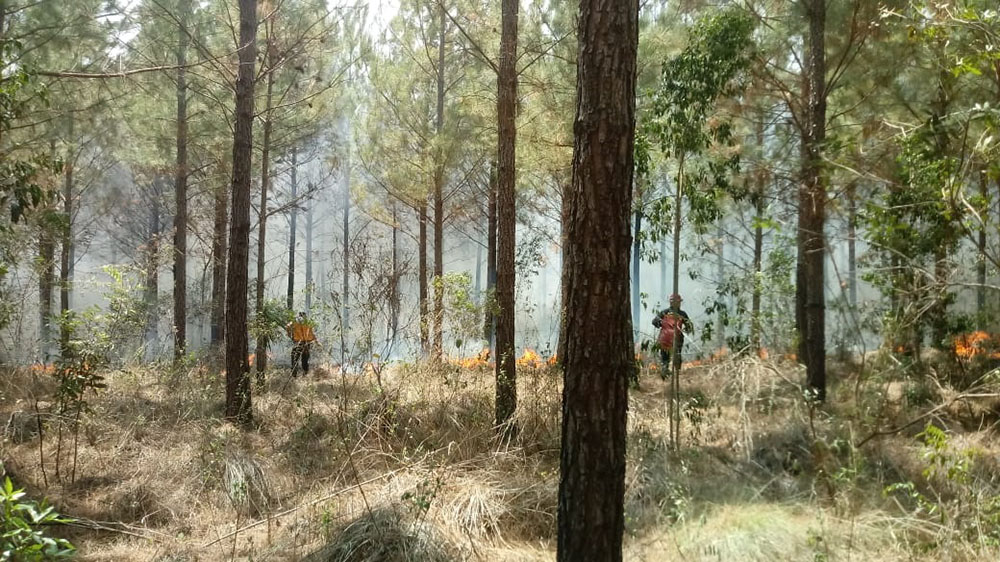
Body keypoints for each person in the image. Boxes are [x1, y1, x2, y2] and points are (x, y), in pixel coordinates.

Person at [652, 294, 694, 372]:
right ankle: (676, 373)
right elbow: (689, 326)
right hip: (676, 339)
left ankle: (665, 373)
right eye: (679, 302)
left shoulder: (664, 312)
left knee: (666, 358)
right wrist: (685, 330)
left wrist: (662, 324)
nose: (679, 304)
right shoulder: (681, 314)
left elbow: (654, 322)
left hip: (666, 339)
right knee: (676, 355)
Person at [287, 311, 317, 376]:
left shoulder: (295, 322)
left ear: (299, 316)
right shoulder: (308, 323)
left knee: (295, 358)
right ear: (305, 316)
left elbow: (287, 326)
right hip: (306, 343)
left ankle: (294, 374)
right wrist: (315, 341)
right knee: (305, 359)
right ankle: (305, 373)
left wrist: (290, 335)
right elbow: (312, 334)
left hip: (298, 342)